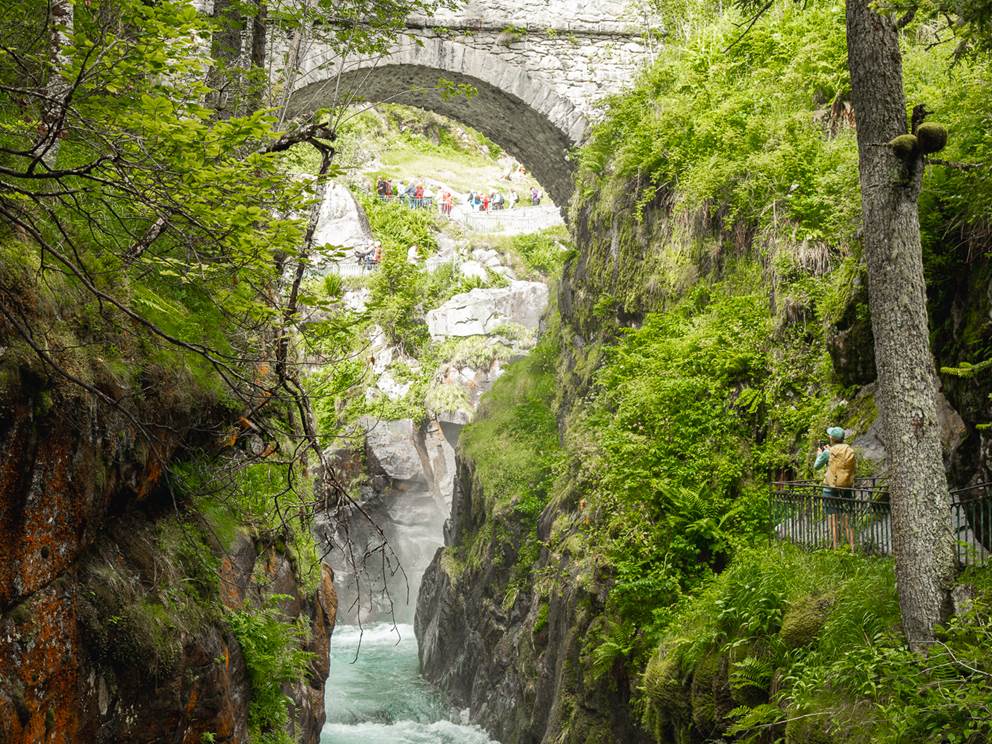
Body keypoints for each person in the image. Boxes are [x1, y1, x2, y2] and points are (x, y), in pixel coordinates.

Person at [814, 426, 856, 550]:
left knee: (833, 519)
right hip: (846, 488)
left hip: (830, 489)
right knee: (847, 520)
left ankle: (836, 548)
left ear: (831, 438)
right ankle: (853, 548)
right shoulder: (849, 450)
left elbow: (817, 466)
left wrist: (819, 455)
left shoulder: (828, 452)